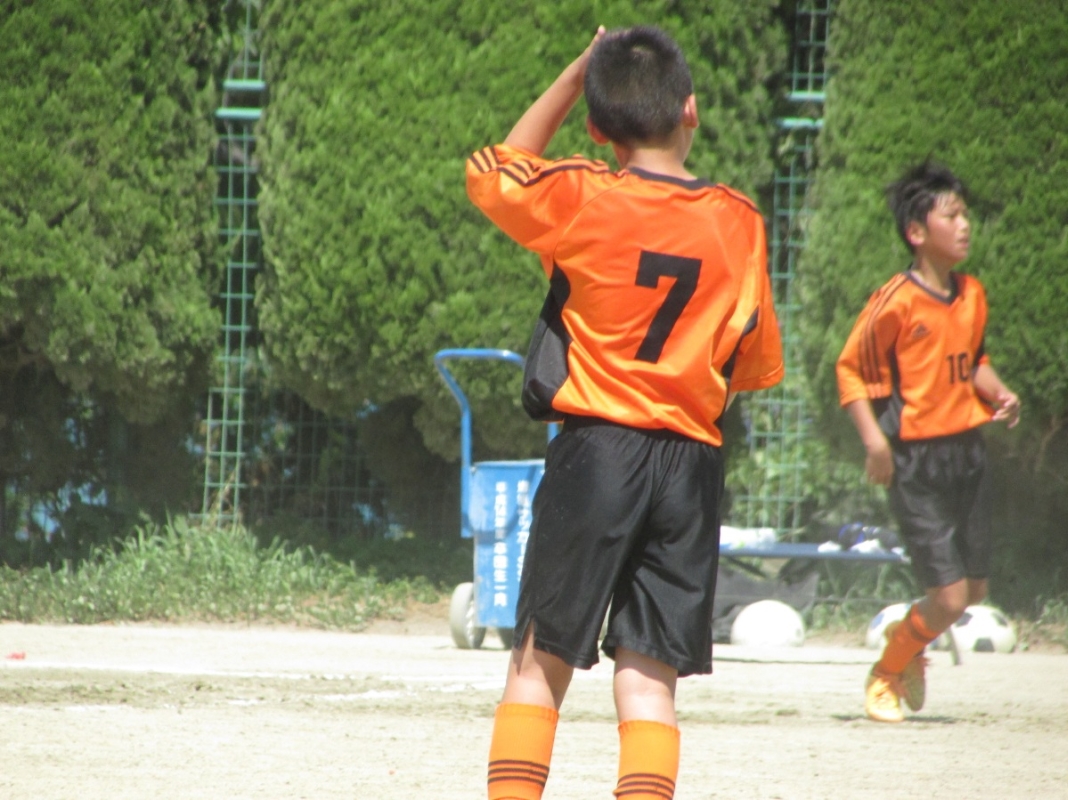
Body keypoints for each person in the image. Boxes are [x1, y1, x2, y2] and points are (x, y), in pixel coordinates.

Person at [466, 25, 784, 799]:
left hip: (599, 451)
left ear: (597, 127)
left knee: (538, 663)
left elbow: (495, 170)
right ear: (691, 109)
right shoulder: (739, 220)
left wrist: (575, 72)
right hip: (690, 464)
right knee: (649, 681)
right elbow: (751, 364)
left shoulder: (584, 196)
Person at [836, 160, 1021, 724]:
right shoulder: (895, 301)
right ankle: (887, 671)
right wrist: (875, 444)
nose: (965, 225)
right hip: (915, 462)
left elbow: (973, 361)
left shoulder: (972, 294)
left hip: (968, 454)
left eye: (966, 215)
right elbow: (849, 371)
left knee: (975, 589)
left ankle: (909, 632)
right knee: (949, 598)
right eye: (952, 215)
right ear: (917, 232)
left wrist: (999, 392)